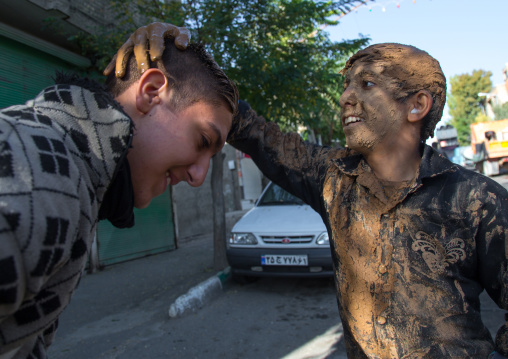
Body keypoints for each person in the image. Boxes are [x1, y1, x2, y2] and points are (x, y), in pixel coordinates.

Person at [114, 25, 507, 358]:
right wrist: (174, 52)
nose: (345, 97)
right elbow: (245, 125)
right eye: (346, 85)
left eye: (367, 84)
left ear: (417, 105)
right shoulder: (333, 178)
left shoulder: (476, 201)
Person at [0, 27, 239, 358]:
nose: (198, 176)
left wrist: (180, 56)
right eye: (202, 142)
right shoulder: (46, 175)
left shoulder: (73, 166)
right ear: (152, 92)